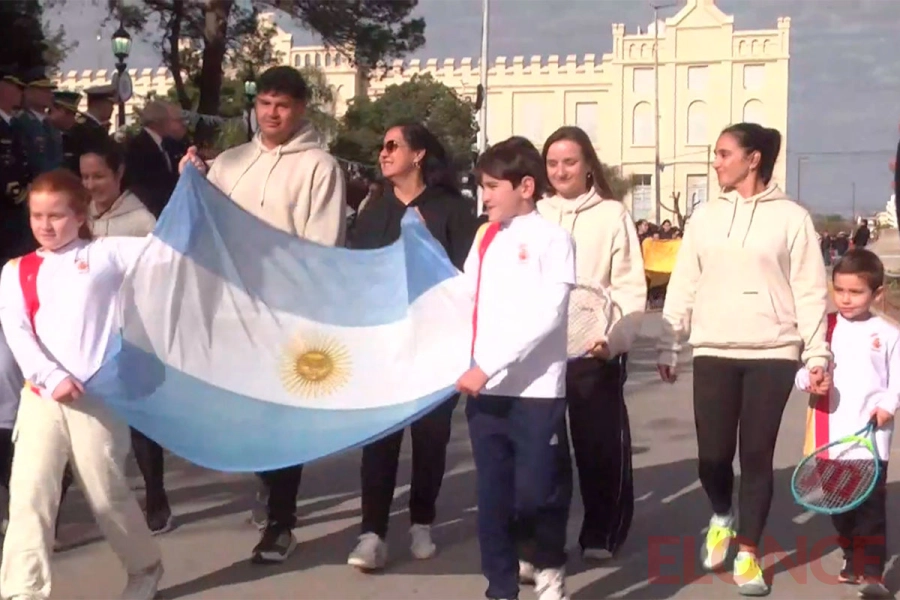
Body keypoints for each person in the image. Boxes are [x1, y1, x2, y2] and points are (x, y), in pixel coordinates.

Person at [179, 64, 346, 564]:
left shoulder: (320, 166)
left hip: (287, 310)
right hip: (236, 308)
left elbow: (323, 243)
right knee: (249, 414)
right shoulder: (232, 161)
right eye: (265, 103)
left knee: (281, 418)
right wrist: (195, 177)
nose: (272, 114)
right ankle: (268, 485)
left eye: (283, 105)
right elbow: (210, 223)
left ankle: (281, 522)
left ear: (300, 110)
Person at [657, 122, 830, 596]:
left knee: (756, 457)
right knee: (713, 457)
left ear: (753, 159)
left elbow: (811, 292)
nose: (716, 162)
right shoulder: (704, 218)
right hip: (714, 349)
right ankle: (721, 515)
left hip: (774, 352)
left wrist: (817, 353)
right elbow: (683, 284)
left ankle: (749, 552)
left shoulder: (792, 218)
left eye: (724, 153)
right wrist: (669, 343)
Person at [0, 168, 163, 599]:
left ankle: (144, 567)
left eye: (56, 215)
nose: (45, 225)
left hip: (98, 399)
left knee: (106, 494)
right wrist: (51, 377)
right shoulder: (17, 270)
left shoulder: (106, 253)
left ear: (80, 214)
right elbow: (17, 333)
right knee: (30, 496)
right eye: (37, 215)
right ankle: (23, 590)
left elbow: (169, 250)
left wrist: (190, 183)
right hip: (40, 399)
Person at [345, 122, 482, 571]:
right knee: (379, 442)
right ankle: (372, 533)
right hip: (385, 346)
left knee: (430, 439)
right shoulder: (374, 210)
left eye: (392, 146)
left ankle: (422, 519)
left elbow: (468, 278)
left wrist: (427, 245)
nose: (383, 154)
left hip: (435, 348)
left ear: (418, 155)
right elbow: (358, 274)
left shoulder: (452, 210)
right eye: (381, 146)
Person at [459, 136, 575, 600]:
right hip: (486, 393)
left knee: (535, 494)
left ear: (525, 186)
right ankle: (500, 588)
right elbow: (463, 298)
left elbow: (547, 316)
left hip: (537, 393)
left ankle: (548, 568)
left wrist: (489, 365)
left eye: (491, 186)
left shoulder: (554, 239)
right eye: (480, 186)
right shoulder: (485, 236)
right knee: (493, 498)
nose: (484, 196)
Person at [531, 126, 646, 572]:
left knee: (599, 446)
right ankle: (545, 538)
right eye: (553, 163)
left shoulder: (612, 214)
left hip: (596, 352)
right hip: (542, 355)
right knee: (546, 449)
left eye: (570, 162)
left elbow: (630, 287)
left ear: (588, 165)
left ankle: (601, 529)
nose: (561, 171)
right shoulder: (535, 214)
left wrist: (614, 339)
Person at [81, 141, 173, 535]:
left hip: (134, 332)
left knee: (140, 421)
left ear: (119, 175)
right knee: (86, 420)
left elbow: (160, 274)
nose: (90, 184)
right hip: (90, 334)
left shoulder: (141, 221)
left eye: (98, 176)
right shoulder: (75, 215)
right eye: (84, 176)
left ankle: (157, 499)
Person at [796, 249, 896, 599]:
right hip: (829, 441)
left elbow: (896, 381)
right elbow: (800, 374)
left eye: (856, 292)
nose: (846, 298)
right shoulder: (825, 329)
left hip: (872, 443)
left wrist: (887, 407)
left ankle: (872, 573)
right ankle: (851, 557)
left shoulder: (888, 333)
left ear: (877, 294)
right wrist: (810, 379)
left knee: (871, 512)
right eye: (840, 290)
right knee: (841, 511)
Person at [124, 101, 186, 218]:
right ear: (158, 122)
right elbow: (144, 181)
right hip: (150, 209)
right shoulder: (138, 146)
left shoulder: (165, 144)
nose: (170, 124)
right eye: (168, 120)